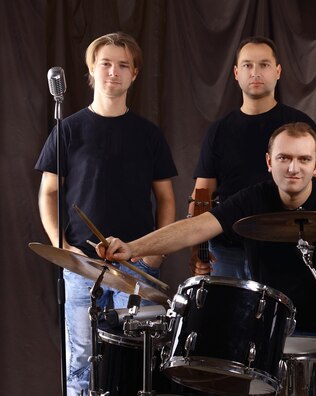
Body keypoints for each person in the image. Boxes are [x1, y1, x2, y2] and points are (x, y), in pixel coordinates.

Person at [98, 122, 316, 396]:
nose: (293, 168)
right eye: (284, 158)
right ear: (270, 162)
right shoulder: (253, 199)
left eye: (303, 159)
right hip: (272, 331)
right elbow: (195, 227)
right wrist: (132, 248)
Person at [35, 32, 177, 395]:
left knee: (140, 365)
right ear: (91, 70)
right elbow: (49, 193)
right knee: (81, 363)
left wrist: (155, 252)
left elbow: (165, 198)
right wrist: (62, 246)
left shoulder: (148, 134)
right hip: (83, 266)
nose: (114, 71)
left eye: (123, 65)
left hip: (137, 266)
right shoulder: (66, 130)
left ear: (134, 75)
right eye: (106, 64)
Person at [189, 36, 316, 280]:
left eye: (264, 65)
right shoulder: (219, 130)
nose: (255, 72)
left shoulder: (300, 125)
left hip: (284, 251)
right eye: (247, 65)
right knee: (228, 318)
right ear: (236, 73)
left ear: (278, 72)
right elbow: (201, 195)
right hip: (227, 251)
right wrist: (197, 249)